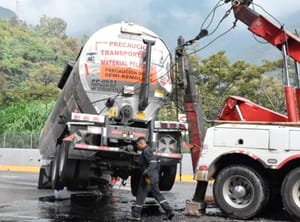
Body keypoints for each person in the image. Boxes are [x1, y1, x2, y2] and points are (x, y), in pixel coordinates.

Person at [126, 137, 175, 221]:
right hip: (154, 177)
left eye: (137, 144)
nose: (137, 146)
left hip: (148, 178)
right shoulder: (150, 151)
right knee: (157, 194)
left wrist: (146, 172)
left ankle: (136, 215)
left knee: (141, 194)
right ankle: (169, 210)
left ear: (141, 143)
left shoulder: (146, 151)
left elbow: (152, 163)